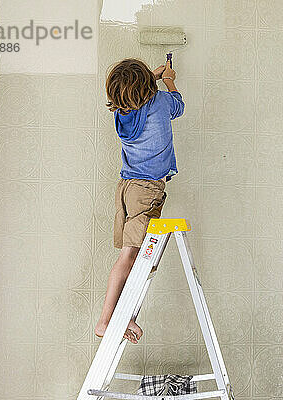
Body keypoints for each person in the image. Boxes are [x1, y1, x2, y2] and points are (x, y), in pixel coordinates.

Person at [94, 58, 184, 343]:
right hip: (146, 192)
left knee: (133, 257)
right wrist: (168, 78)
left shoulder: (122, 113)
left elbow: (139, 98)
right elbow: (177, 105)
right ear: (148, 88)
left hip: (126, 188)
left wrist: (151, 77)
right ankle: (107, 321)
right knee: (131, 257)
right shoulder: (159, 103)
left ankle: (124, 315)